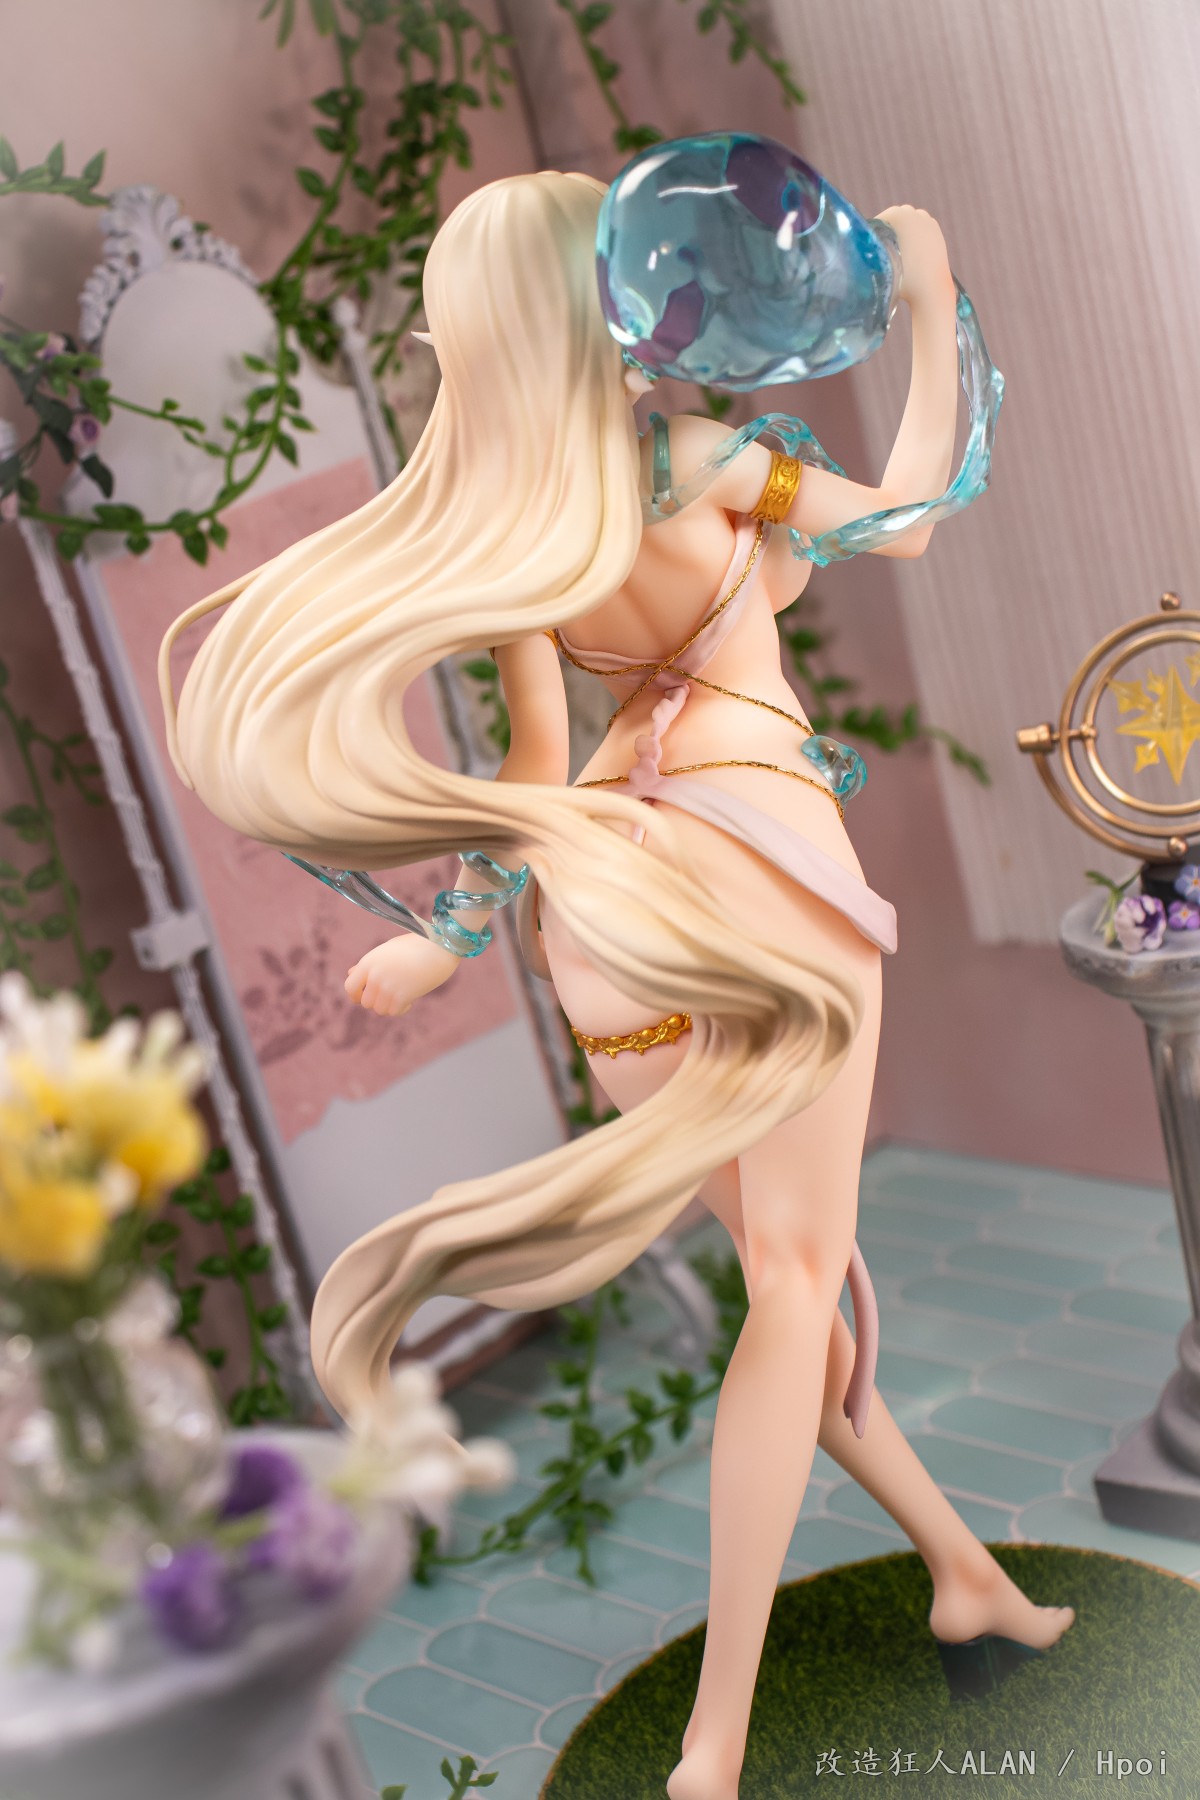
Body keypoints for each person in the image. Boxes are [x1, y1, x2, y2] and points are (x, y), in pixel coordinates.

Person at [159, 169, 1072, 1800]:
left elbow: (536, 769)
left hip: (605, 921)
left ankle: (964, 1574)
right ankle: (714, 1744)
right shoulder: (699, 461)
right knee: (797, 1284)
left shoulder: (530, 534)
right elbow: (915, 512)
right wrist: (931, 297)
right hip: (761, 870)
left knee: (800, 1291)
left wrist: (444, 935)